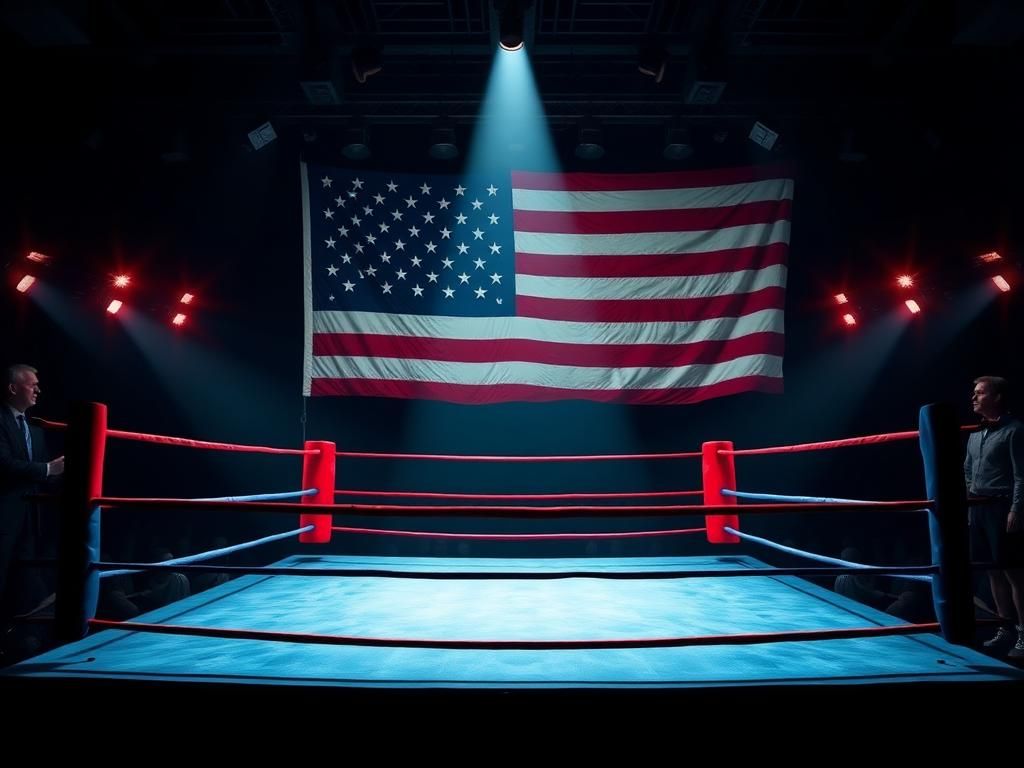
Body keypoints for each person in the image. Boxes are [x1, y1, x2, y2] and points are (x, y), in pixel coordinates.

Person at [0, 364, 64, 658]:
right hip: (5, 517)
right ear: (13, 388)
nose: (38, 389)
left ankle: (25, 640)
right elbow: (4, 465)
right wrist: (48, 469)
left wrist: (67, 473)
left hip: (31, 518)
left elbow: (44, 474)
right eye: (31, 384)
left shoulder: (35, 427)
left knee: (28, 580)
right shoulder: (0, 420)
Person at [964, 375, 1024, 658]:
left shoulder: (1015, 430)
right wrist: (969, 505)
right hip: (979, 508)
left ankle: (1023, 634)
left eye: (980, 393)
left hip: (1002, 507)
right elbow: (967, 471)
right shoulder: (975, 433)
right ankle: (1005, 629)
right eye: (974, 393)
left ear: (997, 397)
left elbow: (1021, 475)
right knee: (992, 571)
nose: (974, 398)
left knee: (1014, 574)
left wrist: (1016, 509)